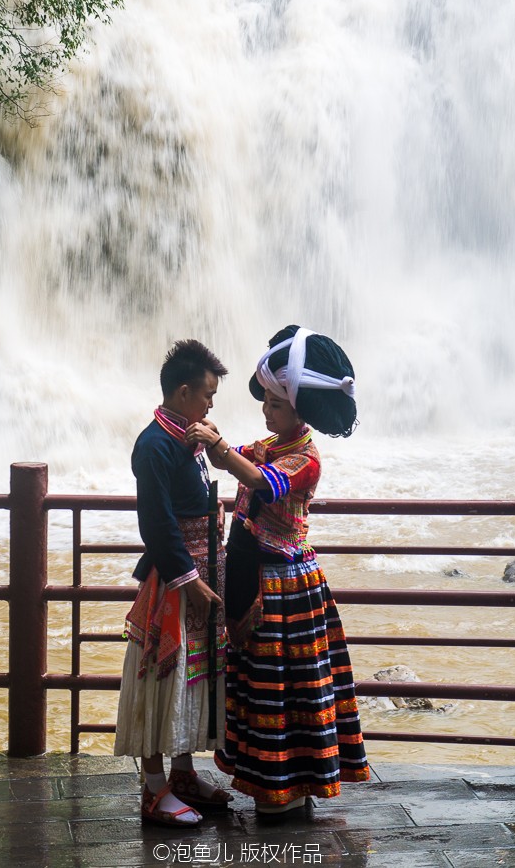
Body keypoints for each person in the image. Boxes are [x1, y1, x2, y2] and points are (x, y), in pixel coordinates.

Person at [186, 324, 369, 813]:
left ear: (299, 408)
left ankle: (285, 792)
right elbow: (244, 461)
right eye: (265, 402)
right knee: (264, 686)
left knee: (285, 689)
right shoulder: (270, 446)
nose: (266, 412)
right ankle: (276, 786)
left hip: (284, 589)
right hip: (258, 582)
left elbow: (259, 481)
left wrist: (219, 449)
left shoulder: (304, 459)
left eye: (275, 404)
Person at [114, 339, 232, 827]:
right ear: (184, 393)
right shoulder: (155, 445)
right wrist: (192, 584)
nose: (210, 405)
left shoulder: (187, 438)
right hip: (175, 587)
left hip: (200, 578)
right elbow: (156, 525)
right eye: (207, 395)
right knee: (161, 680)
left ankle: (182, 774)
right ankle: (154, 788)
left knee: (192, 679)